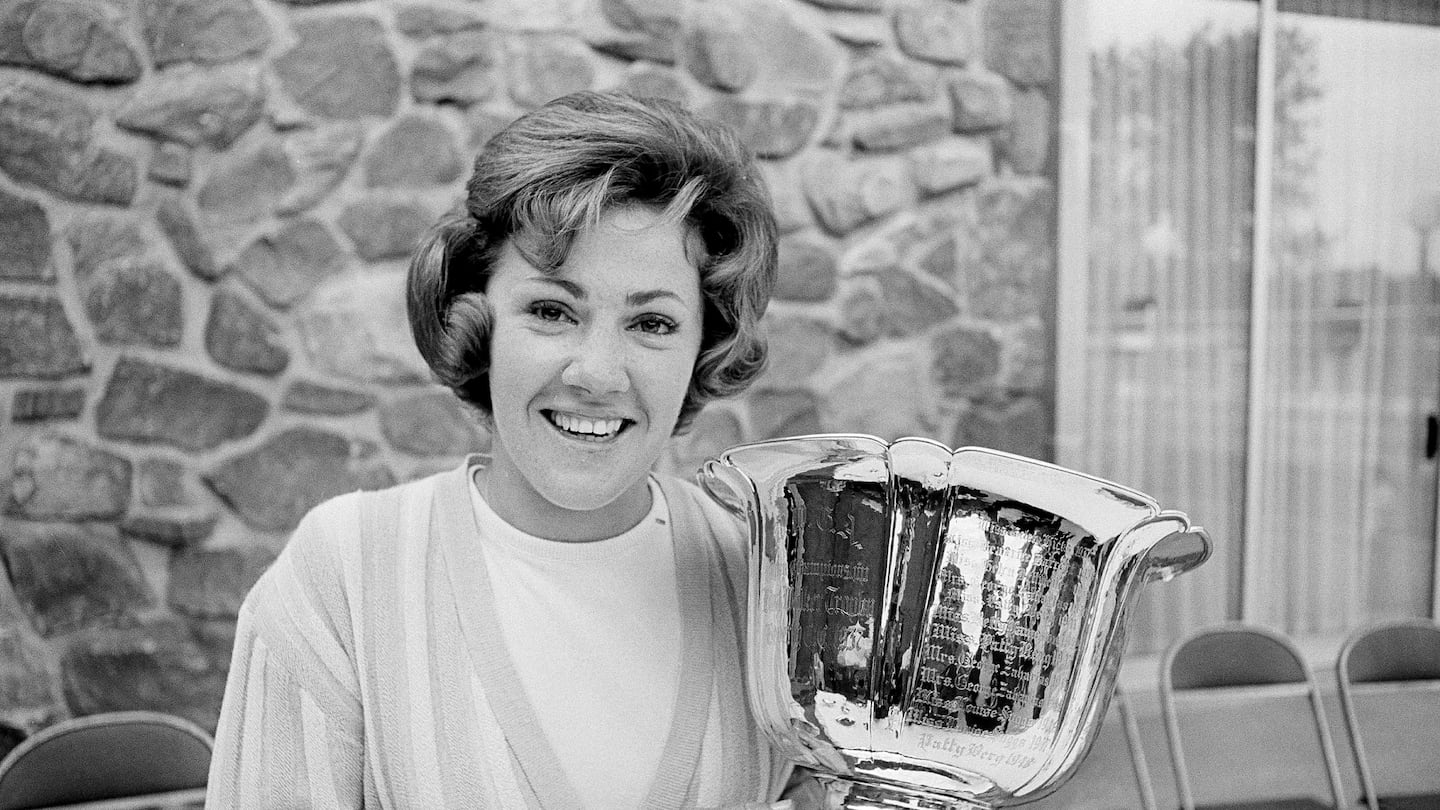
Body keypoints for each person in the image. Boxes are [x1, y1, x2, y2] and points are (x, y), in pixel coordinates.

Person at [206, 91, 821, 809]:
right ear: (479, 319)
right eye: (552, 311)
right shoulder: (345, 577)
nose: (596, 373)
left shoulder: (769, 586)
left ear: (703, 347)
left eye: (652, 322)